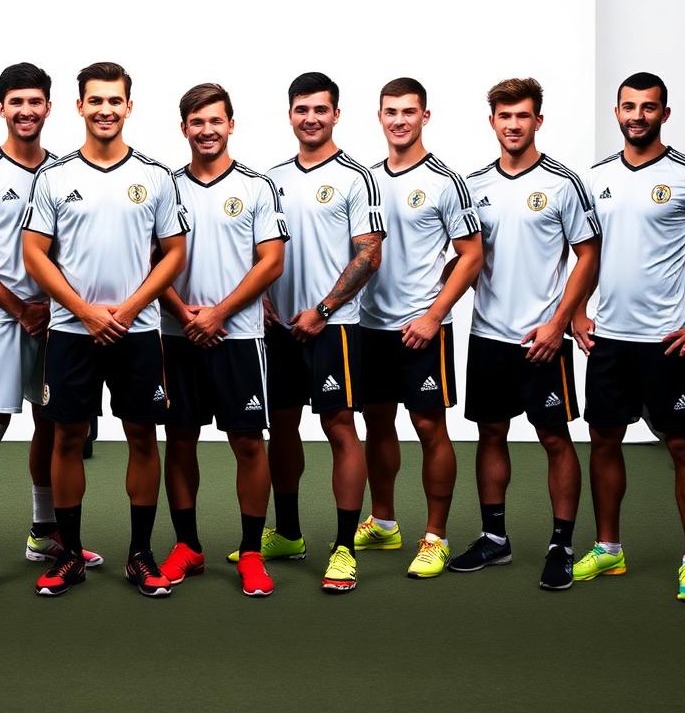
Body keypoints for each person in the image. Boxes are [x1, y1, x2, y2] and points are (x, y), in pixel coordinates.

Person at [573, 72, 685, 603]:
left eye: (648, 107)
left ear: (664, 114)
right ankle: (608, 547)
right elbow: (584, 253)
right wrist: (575, 311)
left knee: (682, 446)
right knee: (604, 441)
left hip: (666, 341)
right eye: (629, 106)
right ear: (616, 112)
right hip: (609, 339)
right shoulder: (596, 177)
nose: (637, 115)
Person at [22, 61, 188, 597]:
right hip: (72, 332)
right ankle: (68, 554)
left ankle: (141, 554)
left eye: (115, 101)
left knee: (143, 435)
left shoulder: (155, 176)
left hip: (137, 333)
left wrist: (130, 306)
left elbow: (174, 253)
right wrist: (85, 310)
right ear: (80, 107)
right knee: (68, 435)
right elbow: (35, 255)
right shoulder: (55, 176)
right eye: (96, 101)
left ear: (129, 107)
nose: (105, 110)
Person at [0, 62, 102, 595]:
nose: (26, 111)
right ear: (1, 108)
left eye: (35, 102)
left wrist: (64, 305)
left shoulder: (66, 172)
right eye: (16, 102)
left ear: (50, 108)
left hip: (58, 321)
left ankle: (45, 533)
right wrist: (18, 307)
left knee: (54, 426)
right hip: (2, 320)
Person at [452, 78, 599, 591]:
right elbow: (466, 255)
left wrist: (560, 322)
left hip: (543, 338)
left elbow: (588, 256)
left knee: (555, 438)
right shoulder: (472, 185)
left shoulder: (564, 183)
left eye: (523, 116)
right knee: (489, 433)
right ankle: (495, 540)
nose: (513, 125)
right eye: (504, 116)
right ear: (491, 120)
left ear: (539, 120)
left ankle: (561, 544)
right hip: (488, 335)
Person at [254, 72, 385, 595]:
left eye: (320, 109)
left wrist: (325, 308)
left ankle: (344, 548)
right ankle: (287, 533)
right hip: (280, 327)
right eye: (301, 109)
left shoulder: (356, 177)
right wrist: (260, 297)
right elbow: (259, 249)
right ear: (290, 115)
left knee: (339, 425)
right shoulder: (268, 179)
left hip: (333, 327)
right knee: (281, 428)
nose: (311, 118)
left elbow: (369, 253)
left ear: (335, 114)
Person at [159, 83, 289, 597]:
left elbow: (271, 261)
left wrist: (219, 314)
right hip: (177, 333)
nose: (207, 130)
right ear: (184, 128)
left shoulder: (258, 187)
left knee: (249, 443)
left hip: (239, 337)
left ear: (231, 124)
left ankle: (253, 552)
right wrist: (184, 312)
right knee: (180, 440)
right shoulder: (164, 187)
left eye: (216, 120)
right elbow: (152, 260)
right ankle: (187, 546)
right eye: (197, 121)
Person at [357, 77, 483, 578]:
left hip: (422, 329)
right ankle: (384, 521)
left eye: (409, 111)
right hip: (370, 327)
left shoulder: (444, 181)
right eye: (391, 111)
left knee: (430, 427)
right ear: (380, 117)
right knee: (377, 423)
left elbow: (471, 255)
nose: (399, 120)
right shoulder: (363, 179)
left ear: (425, 116)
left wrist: (433, 316)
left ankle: (436, 537)